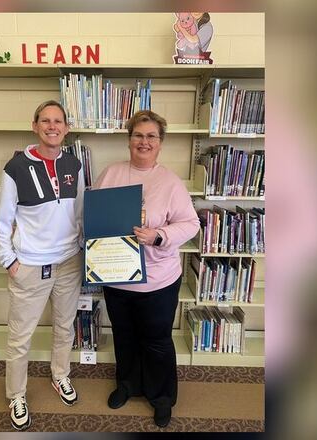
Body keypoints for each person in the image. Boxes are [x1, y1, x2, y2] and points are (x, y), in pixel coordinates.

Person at [94, 110, 200, 428]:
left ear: (160, 143)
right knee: (124, 337)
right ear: (129, 140)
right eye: (138, 135)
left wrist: (159, 235)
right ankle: (127, 385)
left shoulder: (170, 182)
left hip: (158, 280)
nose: (144, 141)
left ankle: (162, 397)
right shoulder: (110, 174)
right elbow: (92, 215)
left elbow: (191, 224)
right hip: (117, 277)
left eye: (151, 136)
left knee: (157, 340)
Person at [0, 100, 84, 430]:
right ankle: (16, 394)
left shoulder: (74, 165)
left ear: (66, 128)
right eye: (45, 121)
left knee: (64, 328)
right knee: (20, 338)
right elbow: (4, 221)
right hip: (30, 267)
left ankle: (60, 376)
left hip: (68, 263)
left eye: (58, 121)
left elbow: (79, 212)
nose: (52, 126)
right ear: (35, 126)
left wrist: (84, 248)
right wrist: (10, 261)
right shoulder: (15, 168)